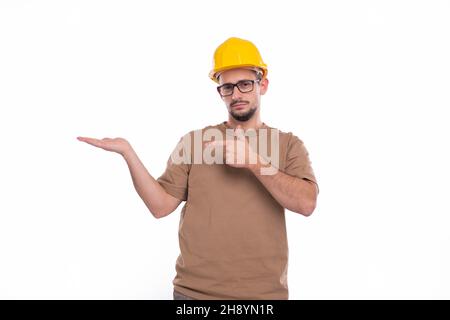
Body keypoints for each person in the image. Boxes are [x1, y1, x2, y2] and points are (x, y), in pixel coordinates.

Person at [77, 37, 319, 300]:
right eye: (227, 87)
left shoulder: (288, 145)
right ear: (220, 92)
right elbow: (160, 206)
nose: (236, 94)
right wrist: (128, 152)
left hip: (263, 297)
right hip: (194, 295)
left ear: (263, 85)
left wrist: (254, 162)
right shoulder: (194, 142)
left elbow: (306, 203)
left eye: (245, 84)